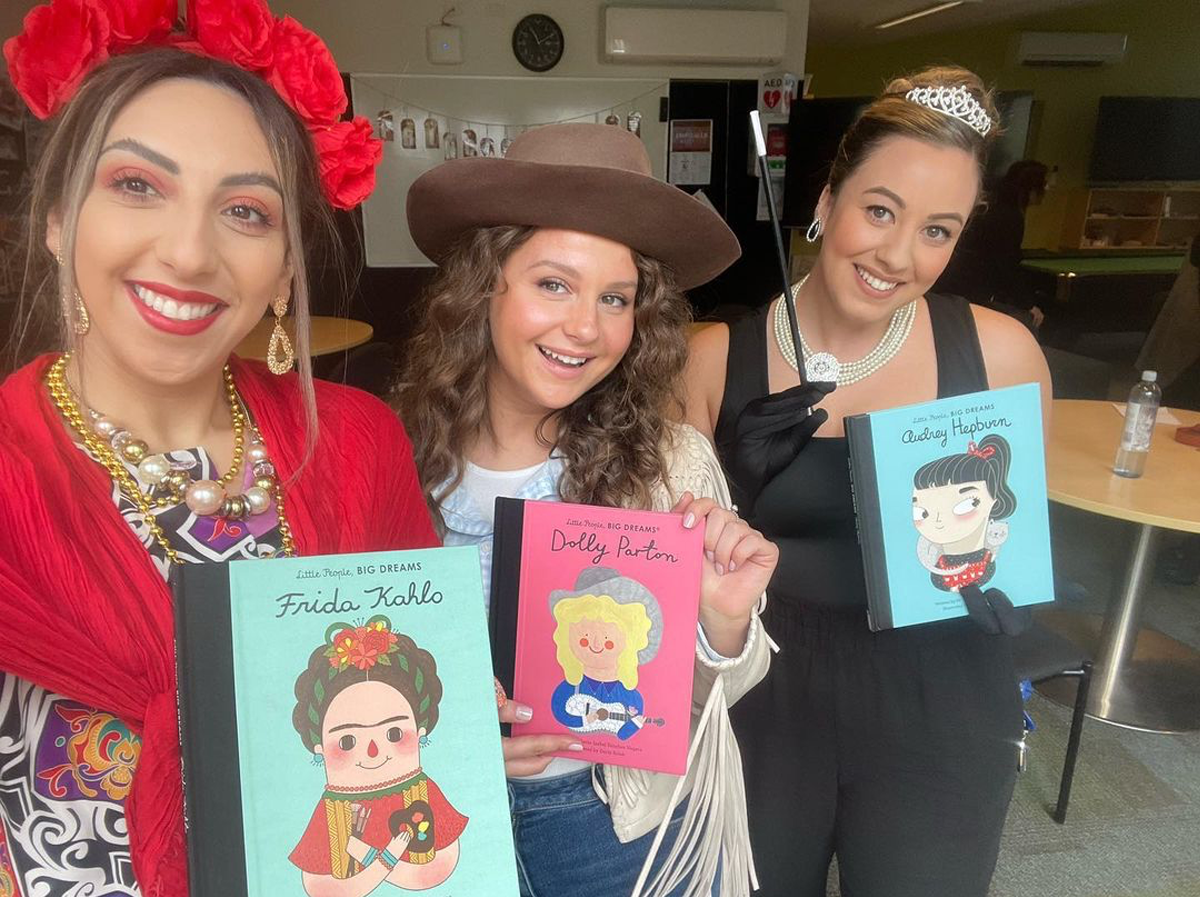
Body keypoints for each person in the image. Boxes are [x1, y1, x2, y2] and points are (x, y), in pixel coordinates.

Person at [0, 2, 437, 894]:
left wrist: (460, 721)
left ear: (283, 269)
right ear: (54, 218)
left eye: (244, 210)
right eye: (136, 186)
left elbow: (406, 720)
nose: (190, 251)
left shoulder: (357, 445)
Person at [684, 66, 1052, 897]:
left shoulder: (998, 357)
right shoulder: (712, 360)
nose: (896, 254)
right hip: (763, 690)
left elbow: (1018, 530)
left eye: (937, 229)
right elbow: (668, 564)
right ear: (825, 200)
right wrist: (723, 499)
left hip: (941, 686)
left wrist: (998, 574)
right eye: (879, 209)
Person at [395, 122, 776, 897]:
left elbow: (721, 696)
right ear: (484, 284)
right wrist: (447, 736)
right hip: (439, 814)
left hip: (613, 824)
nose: (585, 328)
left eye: (615, 298)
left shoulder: (670, 464)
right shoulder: (394, 452)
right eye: (553, 283)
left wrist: (720, 622)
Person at [290, 616, 465, 894]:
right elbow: (319, 886)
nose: (373, 751)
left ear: (419, 732)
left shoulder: (421, 792)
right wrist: (386, 861)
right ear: (319, 747)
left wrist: (373, 857)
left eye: (394, 734)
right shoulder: (331, 810)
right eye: (347, 740)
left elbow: (441, 864)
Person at [935, 159, 1050, 329]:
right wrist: (1027, 304)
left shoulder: (992, 206)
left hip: (953, 282)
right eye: (1044, 184)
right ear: (1032, 188)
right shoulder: (1010, 216)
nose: (1048, 188)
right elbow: (1006, 264)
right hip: (967, 289)